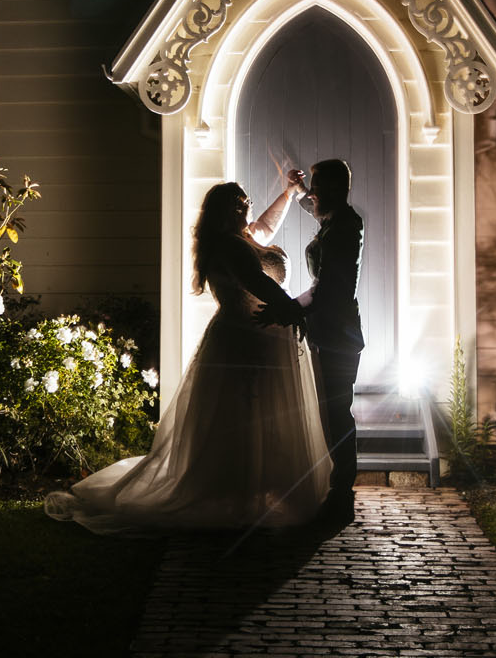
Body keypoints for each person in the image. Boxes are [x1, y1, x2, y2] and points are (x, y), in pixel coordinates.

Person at [44, 181, 330, 535]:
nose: (247, 207)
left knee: (266, 414)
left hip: (266, 336)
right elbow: (258, 282)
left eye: (247, 202)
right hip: (242, 339)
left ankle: (260, 489)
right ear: (225, 211)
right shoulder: (228, 245)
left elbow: (267, 226)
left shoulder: (247, 236)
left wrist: (288, 194)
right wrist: (297, 311)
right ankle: (235, 493)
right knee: (242, 414)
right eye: (240, 204)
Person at [266, 159, 363, 524]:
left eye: (318, 185)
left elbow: (327, 289)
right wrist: (296, 190)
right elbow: (315, 204)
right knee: (329, 414)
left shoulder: (345, 228)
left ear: (337, 188)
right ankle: (337, 491)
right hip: (325, 332)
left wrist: (288, 308)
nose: (314, 193)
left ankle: (342, 496)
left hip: (338, 335)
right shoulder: (334, 219)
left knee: (338, 415)